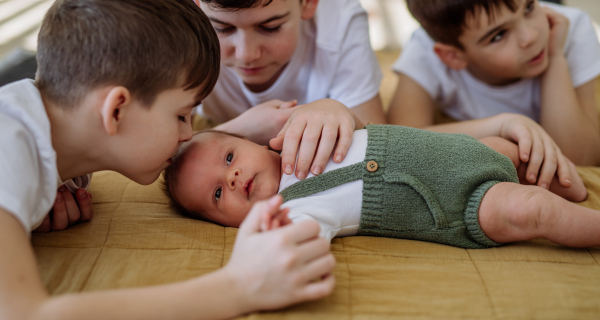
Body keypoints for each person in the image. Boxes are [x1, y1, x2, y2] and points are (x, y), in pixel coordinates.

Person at [0, 0, 335, 320]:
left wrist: (236, 132)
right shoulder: (9, 147)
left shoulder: (64, 145)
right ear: (116, 111)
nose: (188, 134)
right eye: (181, 116)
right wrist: (238, 287)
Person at [160, 122, 594, 249]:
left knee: (517, 151)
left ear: (248, 142)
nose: (232, 178)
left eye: (230, 158)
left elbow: (345, 118)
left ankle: (574, 189)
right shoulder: (292, 211)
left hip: (470, 152)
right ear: (223, 224)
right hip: (461, 204)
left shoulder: (301, 136)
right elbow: (304, 240)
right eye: (218, 195)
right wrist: (271, 237)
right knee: (532, 209)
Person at [178, 0, 386, 180]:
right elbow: (153, 147)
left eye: (270, 27)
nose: (247, 54)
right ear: (195, 3)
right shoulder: (180, 17)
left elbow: (380, 146)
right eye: (222, 28)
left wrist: (344, 115)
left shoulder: (340, 19)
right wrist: (244, 130)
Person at [387, 0, 600, 167]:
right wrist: (502, 124)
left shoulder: (569, 28)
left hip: (546, 7)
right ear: (453, 56)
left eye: (529, 6)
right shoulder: (423, 51)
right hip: (522, 8)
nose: (530, 37)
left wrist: (555, 57)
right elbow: (400, 141)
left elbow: (581, 158)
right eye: (499, 35)